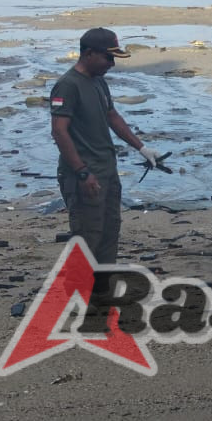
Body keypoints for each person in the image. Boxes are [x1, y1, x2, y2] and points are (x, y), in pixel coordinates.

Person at [50, 27, 161, 265]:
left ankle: (101, 291)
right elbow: (59, 131)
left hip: (107, 170)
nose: (111, 63)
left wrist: (141, 148)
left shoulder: (99, 82)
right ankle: (75, 295)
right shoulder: (68, 85)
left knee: (110, 232)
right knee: (87, 235)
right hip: (84, 174)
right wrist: (82, 172)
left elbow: (112, 116)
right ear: (89, 53)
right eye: (108, 57)